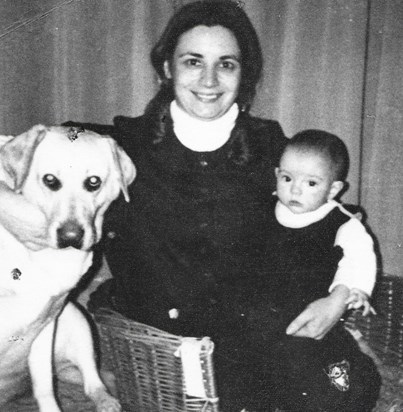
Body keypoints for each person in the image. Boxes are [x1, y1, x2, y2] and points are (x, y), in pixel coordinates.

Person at [0, 1, 379, 410]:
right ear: (166, 69)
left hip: (256, 329)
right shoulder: (115, 144)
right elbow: (23, 148)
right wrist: (12, 212)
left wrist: (341, 296)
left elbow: (335, 221)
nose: (210, 79)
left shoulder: (272, 147)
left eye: (227, 64)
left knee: (342, 395)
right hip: (162, 338)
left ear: (243, 73)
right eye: (193, 61)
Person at [249, 130, 380, 411]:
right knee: (256, 379)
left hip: (314, 328)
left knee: (330, 387)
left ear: (333, 189)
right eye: (287, 179)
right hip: (265, 326)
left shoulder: (342, 223)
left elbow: (358, 258)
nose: (295, 190)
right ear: (276, 176)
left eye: (310, 183)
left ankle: (356, 378)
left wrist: (353, 290)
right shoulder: (263, 212)